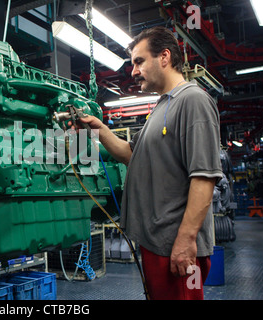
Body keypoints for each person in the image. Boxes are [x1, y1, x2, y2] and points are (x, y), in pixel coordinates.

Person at [77, 26, 223, 300]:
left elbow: (204, 177)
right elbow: (132, 153)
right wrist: (97, 128)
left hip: (175, 245)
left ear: (164, 57)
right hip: (158, 242)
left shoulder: (192, 101)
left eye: (139, 61)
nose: (133, 71)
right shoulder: (161, 106)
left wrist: (186, 239)